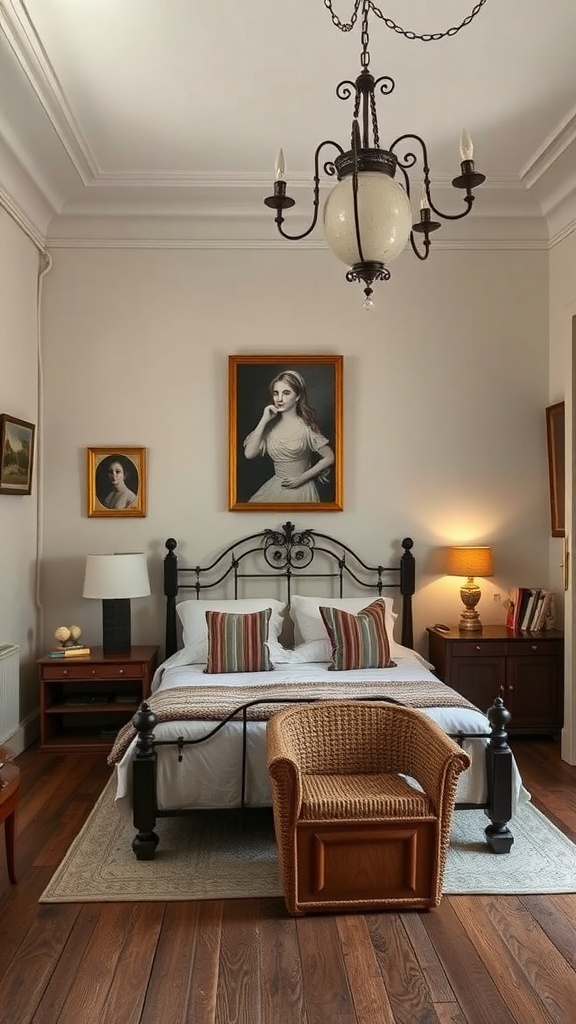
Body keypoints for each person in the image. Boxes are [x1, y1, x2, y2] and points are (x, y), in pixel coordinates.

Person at [243, 370, 335, 502]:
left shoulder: (306, 428)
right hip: (276, 486)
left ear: (298, 396)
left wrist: (301, 479)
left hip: (301, 489)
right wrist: (264, 420)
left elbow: (329, 457)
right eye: (276, 393)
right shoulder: (268, 426)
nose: (279, 399)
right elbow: (249, 454)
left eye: (286, 393)